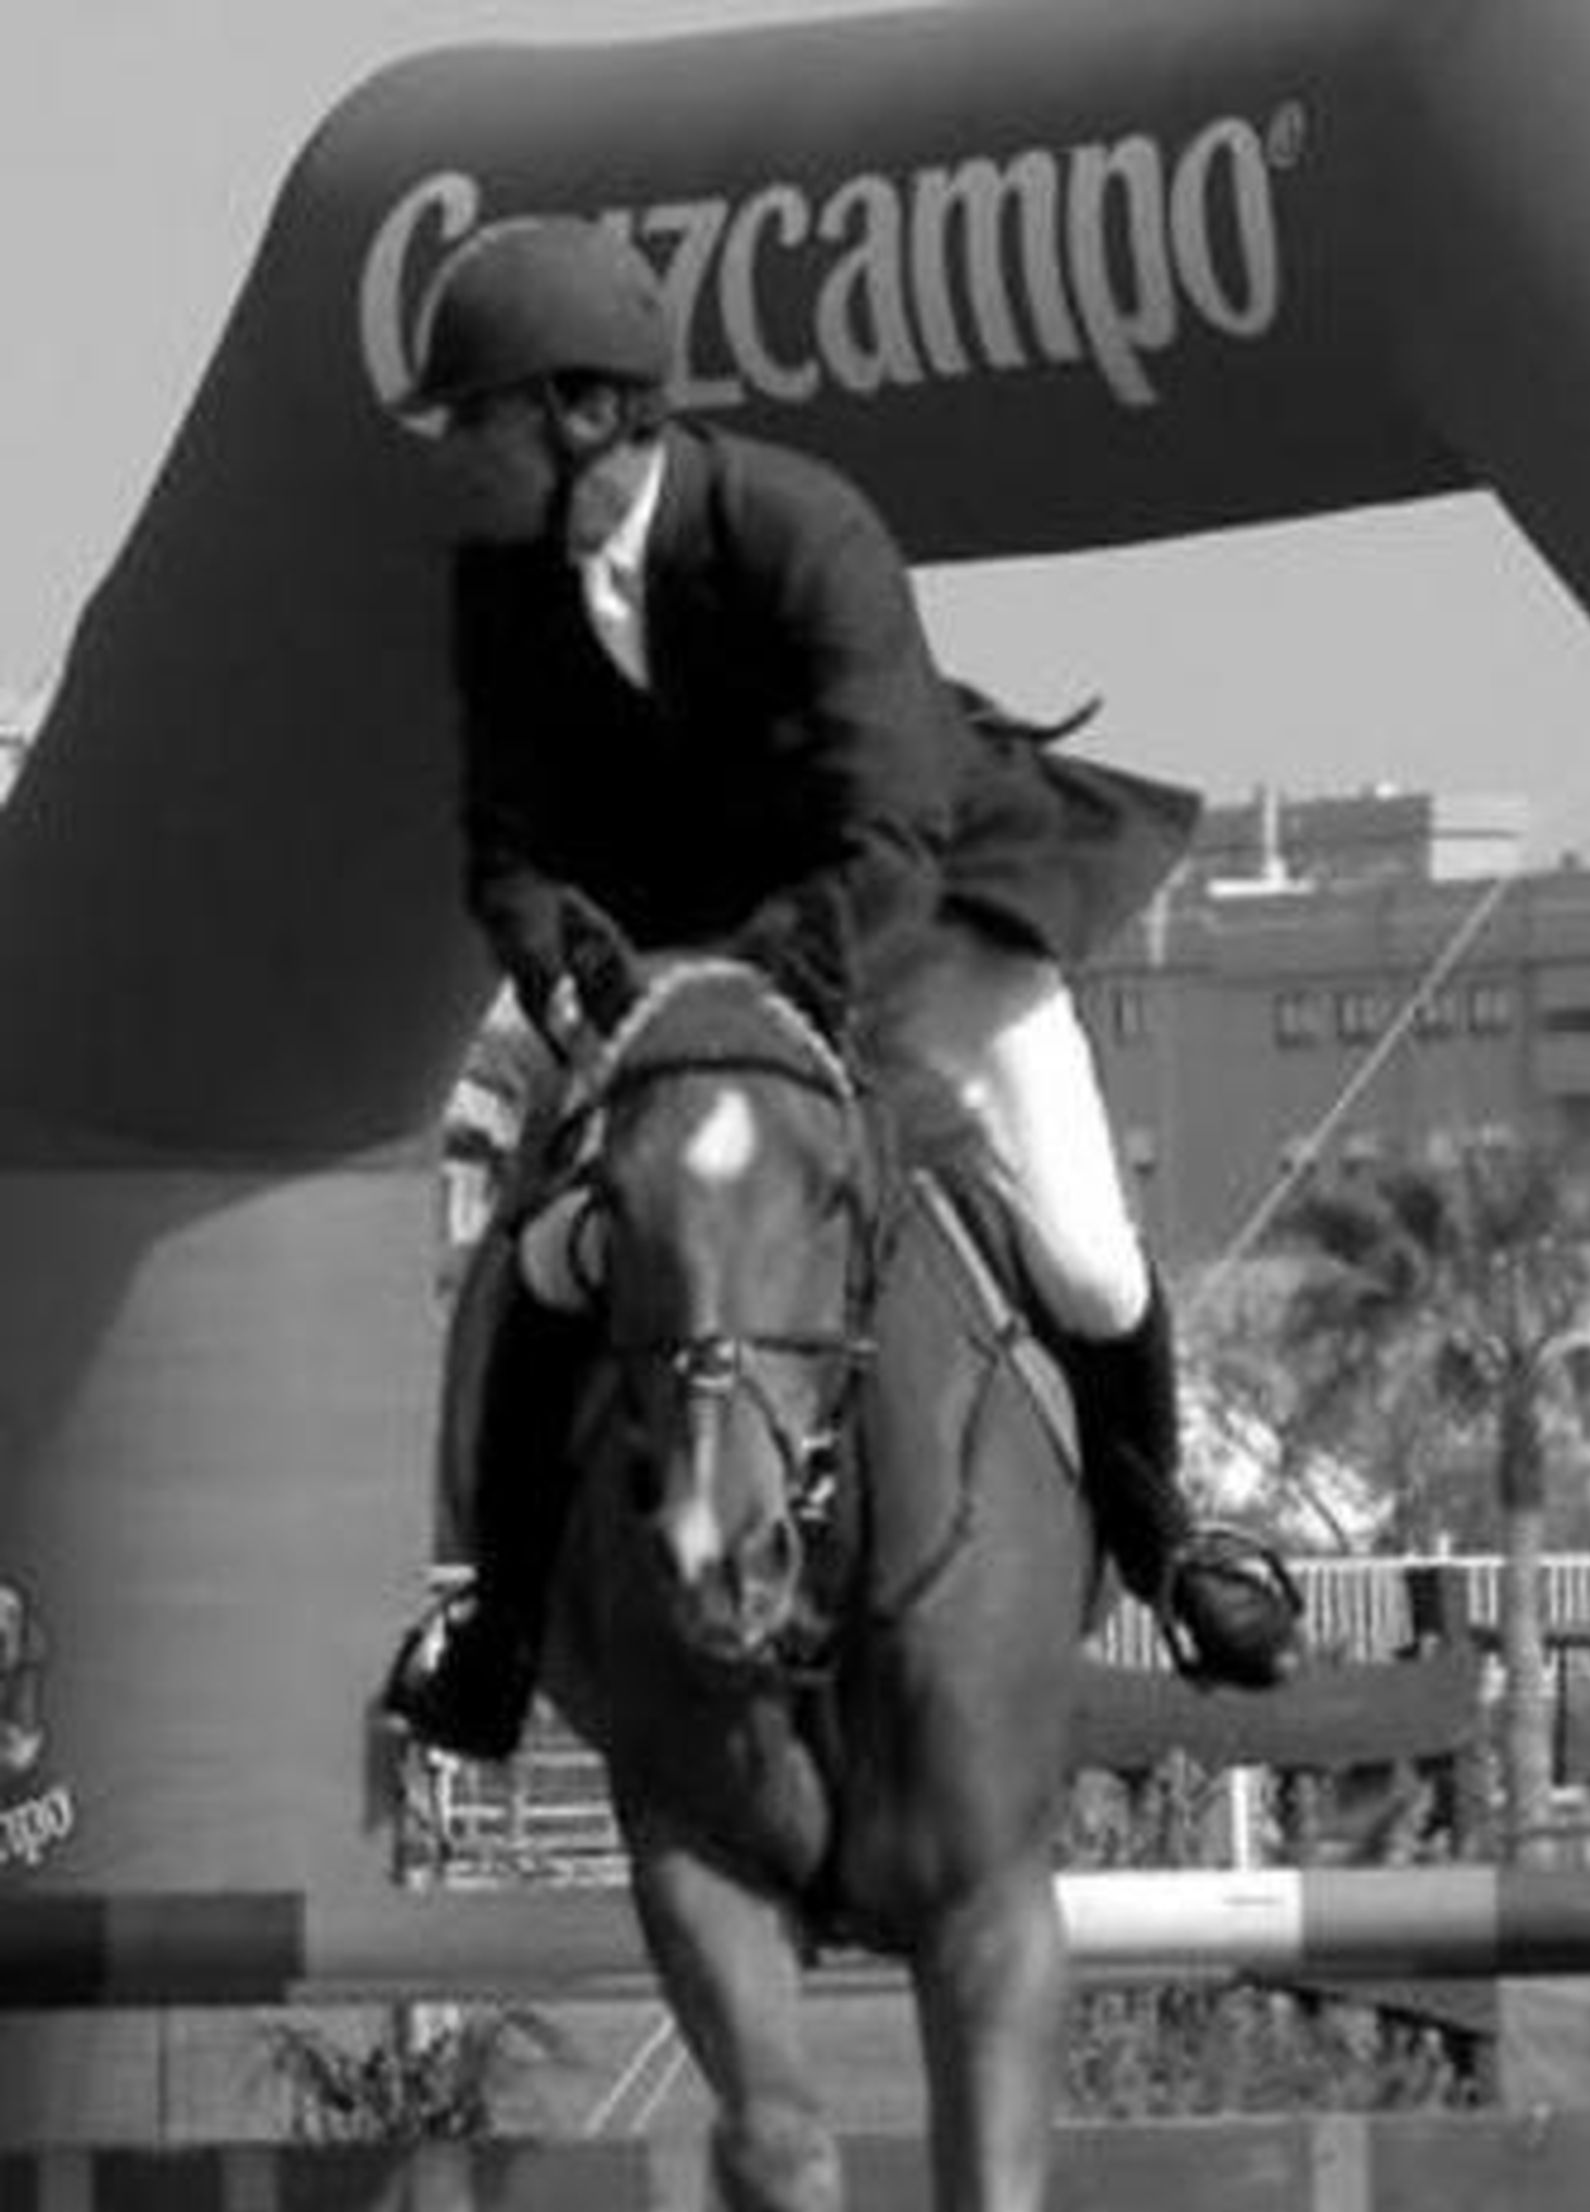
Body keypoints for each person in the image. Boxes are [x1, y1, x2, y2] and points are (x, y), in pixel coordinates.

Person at [382, 216, 1299, 1762]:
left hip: (914, 925)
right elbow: (508, 847)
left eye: (473, 414)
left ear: (587, 414)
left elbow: (890, 831)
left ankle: (1172, 1547)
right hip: (680, 981)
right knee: (552, 1253)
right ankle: (504, 1619)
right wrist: (577, 986)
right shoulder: (495, 580)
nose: (450, 448)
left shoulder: (802, 530)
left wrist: (765, 989)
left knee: (1078, 1249)